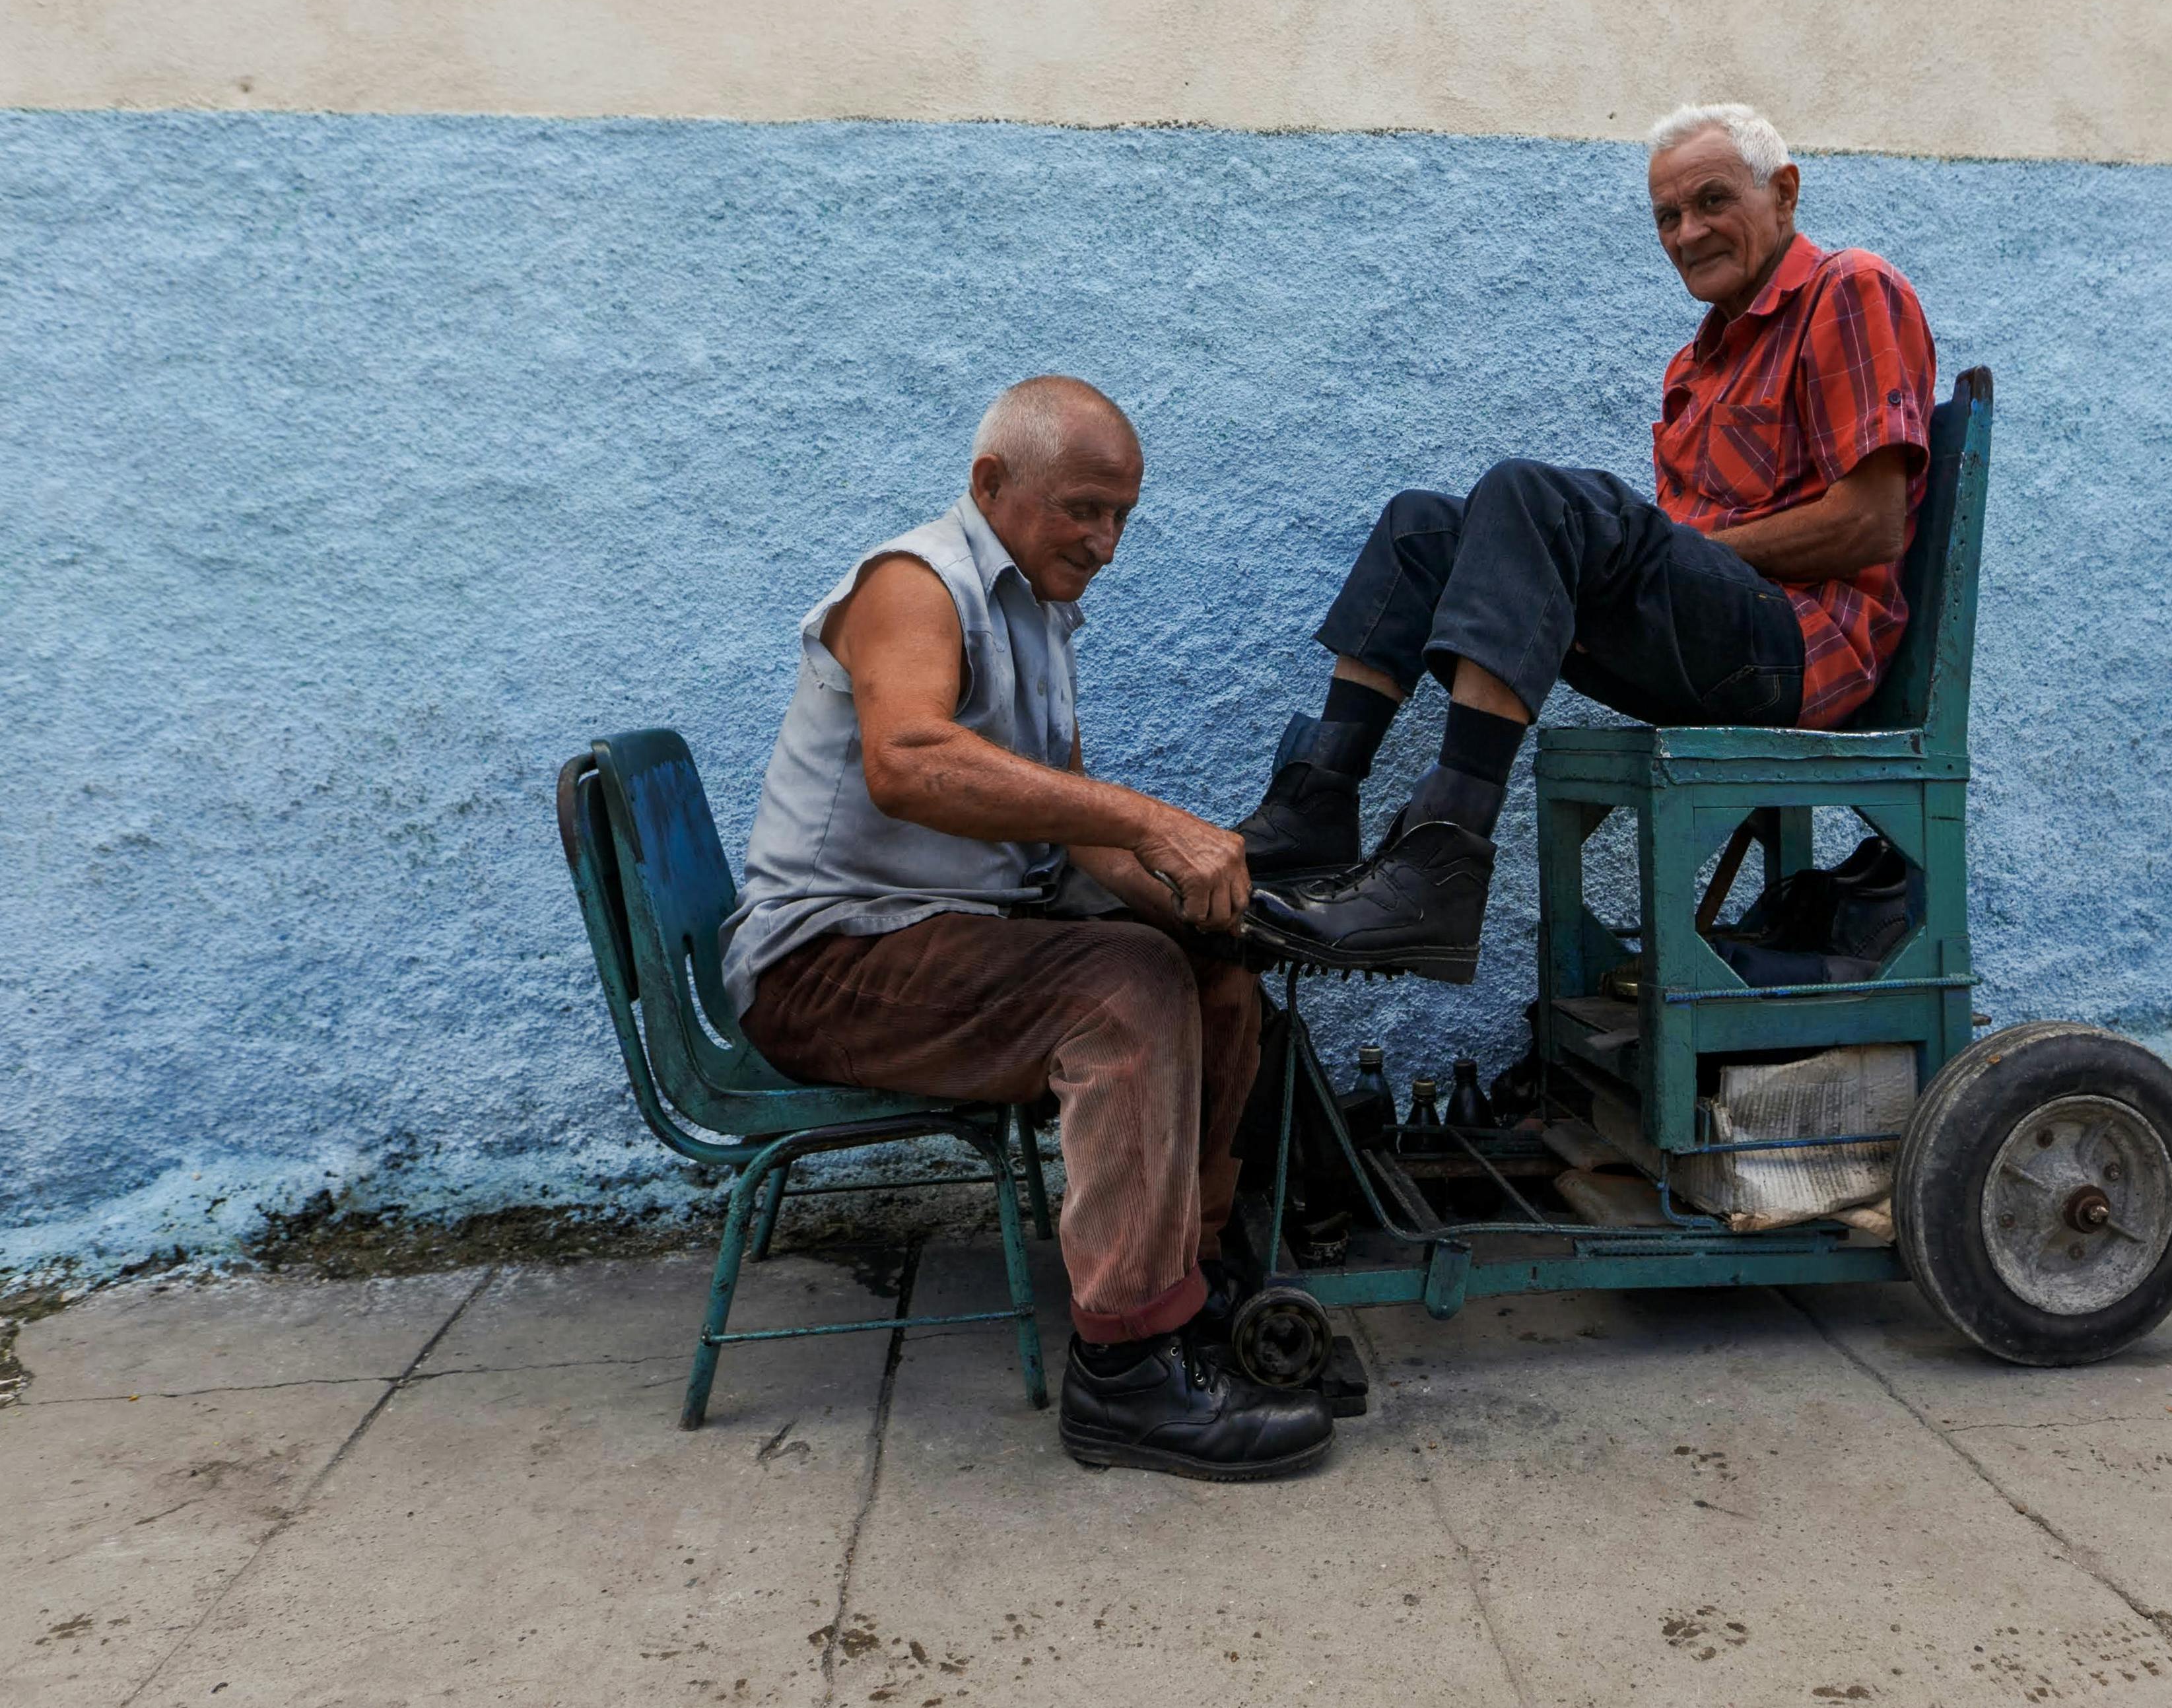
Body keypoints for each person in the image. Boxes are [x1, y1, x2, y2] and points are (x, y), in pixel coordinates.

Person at [720, 376, 1332, 1482]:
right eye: (1083, 510)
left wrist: (1230, 914)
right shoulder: (913, 585)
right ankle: (1127, 1378)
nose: (1105, 543)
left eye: (1122, 518)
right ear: (992, 483)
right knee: (1123, 986)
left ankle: (1194, 1282)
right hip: (826, 966)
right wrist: (1154, 820)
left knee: (1206, 970)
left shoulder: (1035, 616)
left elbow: (1082, 844)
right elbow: (908, 761)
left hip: (937, 945)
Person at [1240, 102, 1938, 982]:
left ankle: (1439, 860)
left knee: (1532, 498)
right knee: (1423, 526)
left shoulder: (1849, 289)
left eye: (1712, 201)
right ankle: (1315, 801)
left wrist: (1688, 552)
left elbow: (1867, 523)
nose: (1688, 233)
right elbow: (1677, 559)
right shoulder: (1696, 366)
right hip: (1714, 644)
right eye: (1667, 218)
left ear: (1784, 194)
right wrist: (1646, 564)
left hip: (1799, 648)